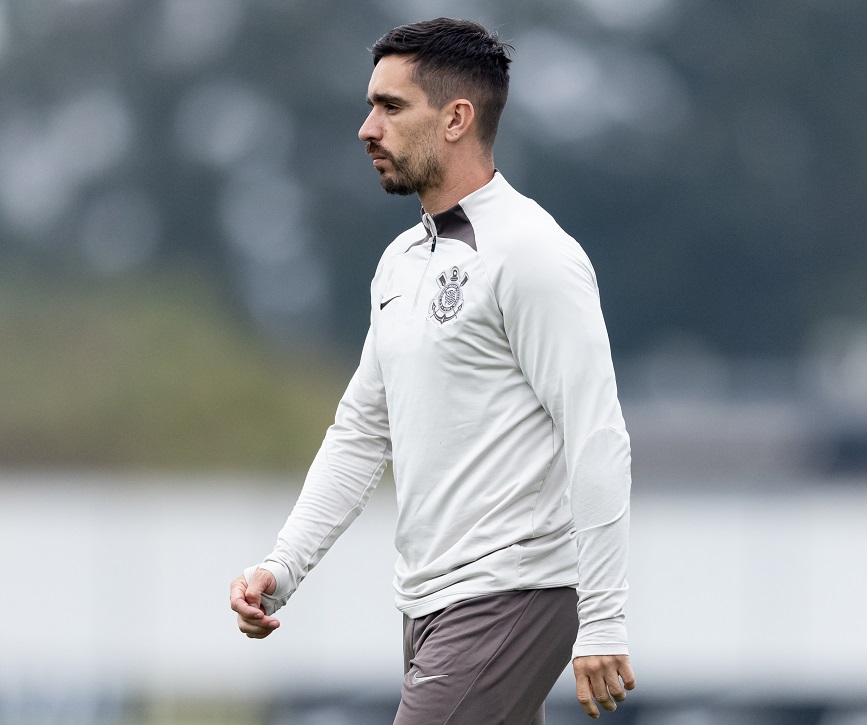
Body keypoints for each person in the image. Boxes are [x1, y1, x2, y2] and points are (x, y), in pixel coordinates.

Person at [230, 17, 635, 724]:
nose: (366, 128)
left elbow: (597, 436)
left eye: (390, 107)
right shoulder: (400, 263)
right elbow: (361, 431)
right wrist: (282, 565)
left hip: (510, 591)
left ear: (456, 118)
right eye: (370, 106)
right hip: (428, 604)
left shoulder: (533, 254)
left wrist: (602, 619)